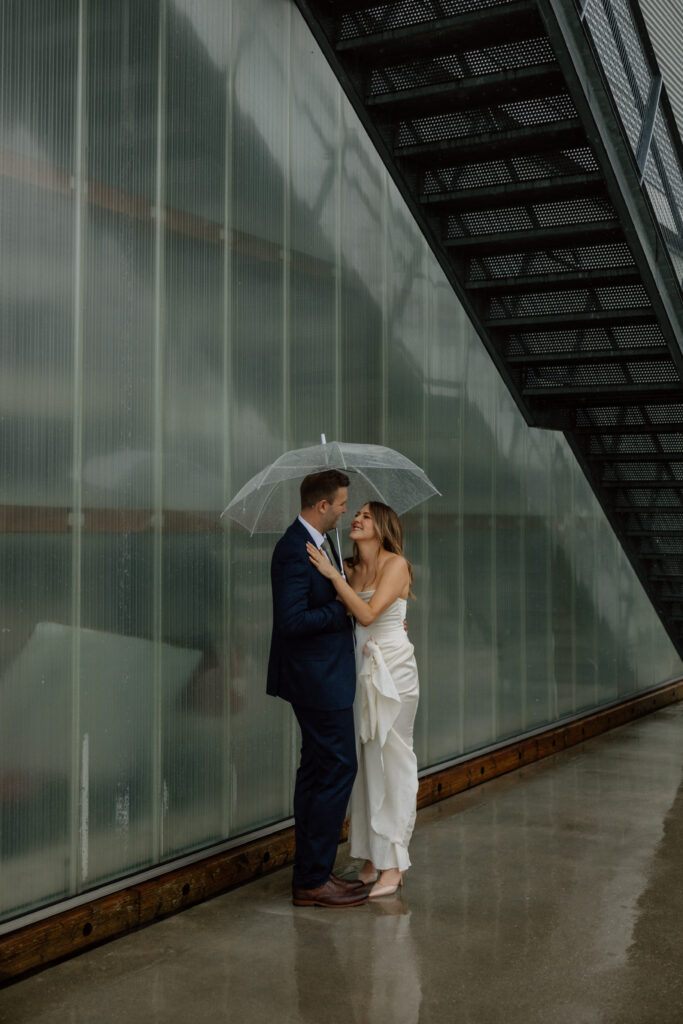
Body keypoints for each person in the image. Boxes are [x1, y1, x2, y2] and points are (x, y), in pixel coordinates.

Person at [306, 501, 419, 899]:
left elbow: (369, 614)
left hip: (394, 669)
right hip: (360, 668)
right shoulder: (350, 568)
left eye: (366, 516)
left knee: (393, 761)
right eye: (355, 514)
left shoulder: (396, 565)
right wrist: (337, 576)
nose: (356, 518)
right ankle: (372, 858)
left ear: (383, 526)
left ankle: (394, 864)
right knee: (366, 763)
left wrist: (334, 579)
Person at [267, 469, 368, 908]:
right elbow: (291, 622)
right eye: (342, 502)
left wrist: (343, 583)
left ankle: (312, 873)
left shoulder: (322, 542)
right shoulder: (293, 549)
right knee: (337, 768)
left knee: (316, 772)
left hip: (324, 676)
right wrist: (343, 609)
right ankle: (313, 879)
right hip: (316, 681)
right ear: (322, 505)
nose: (346, 509)